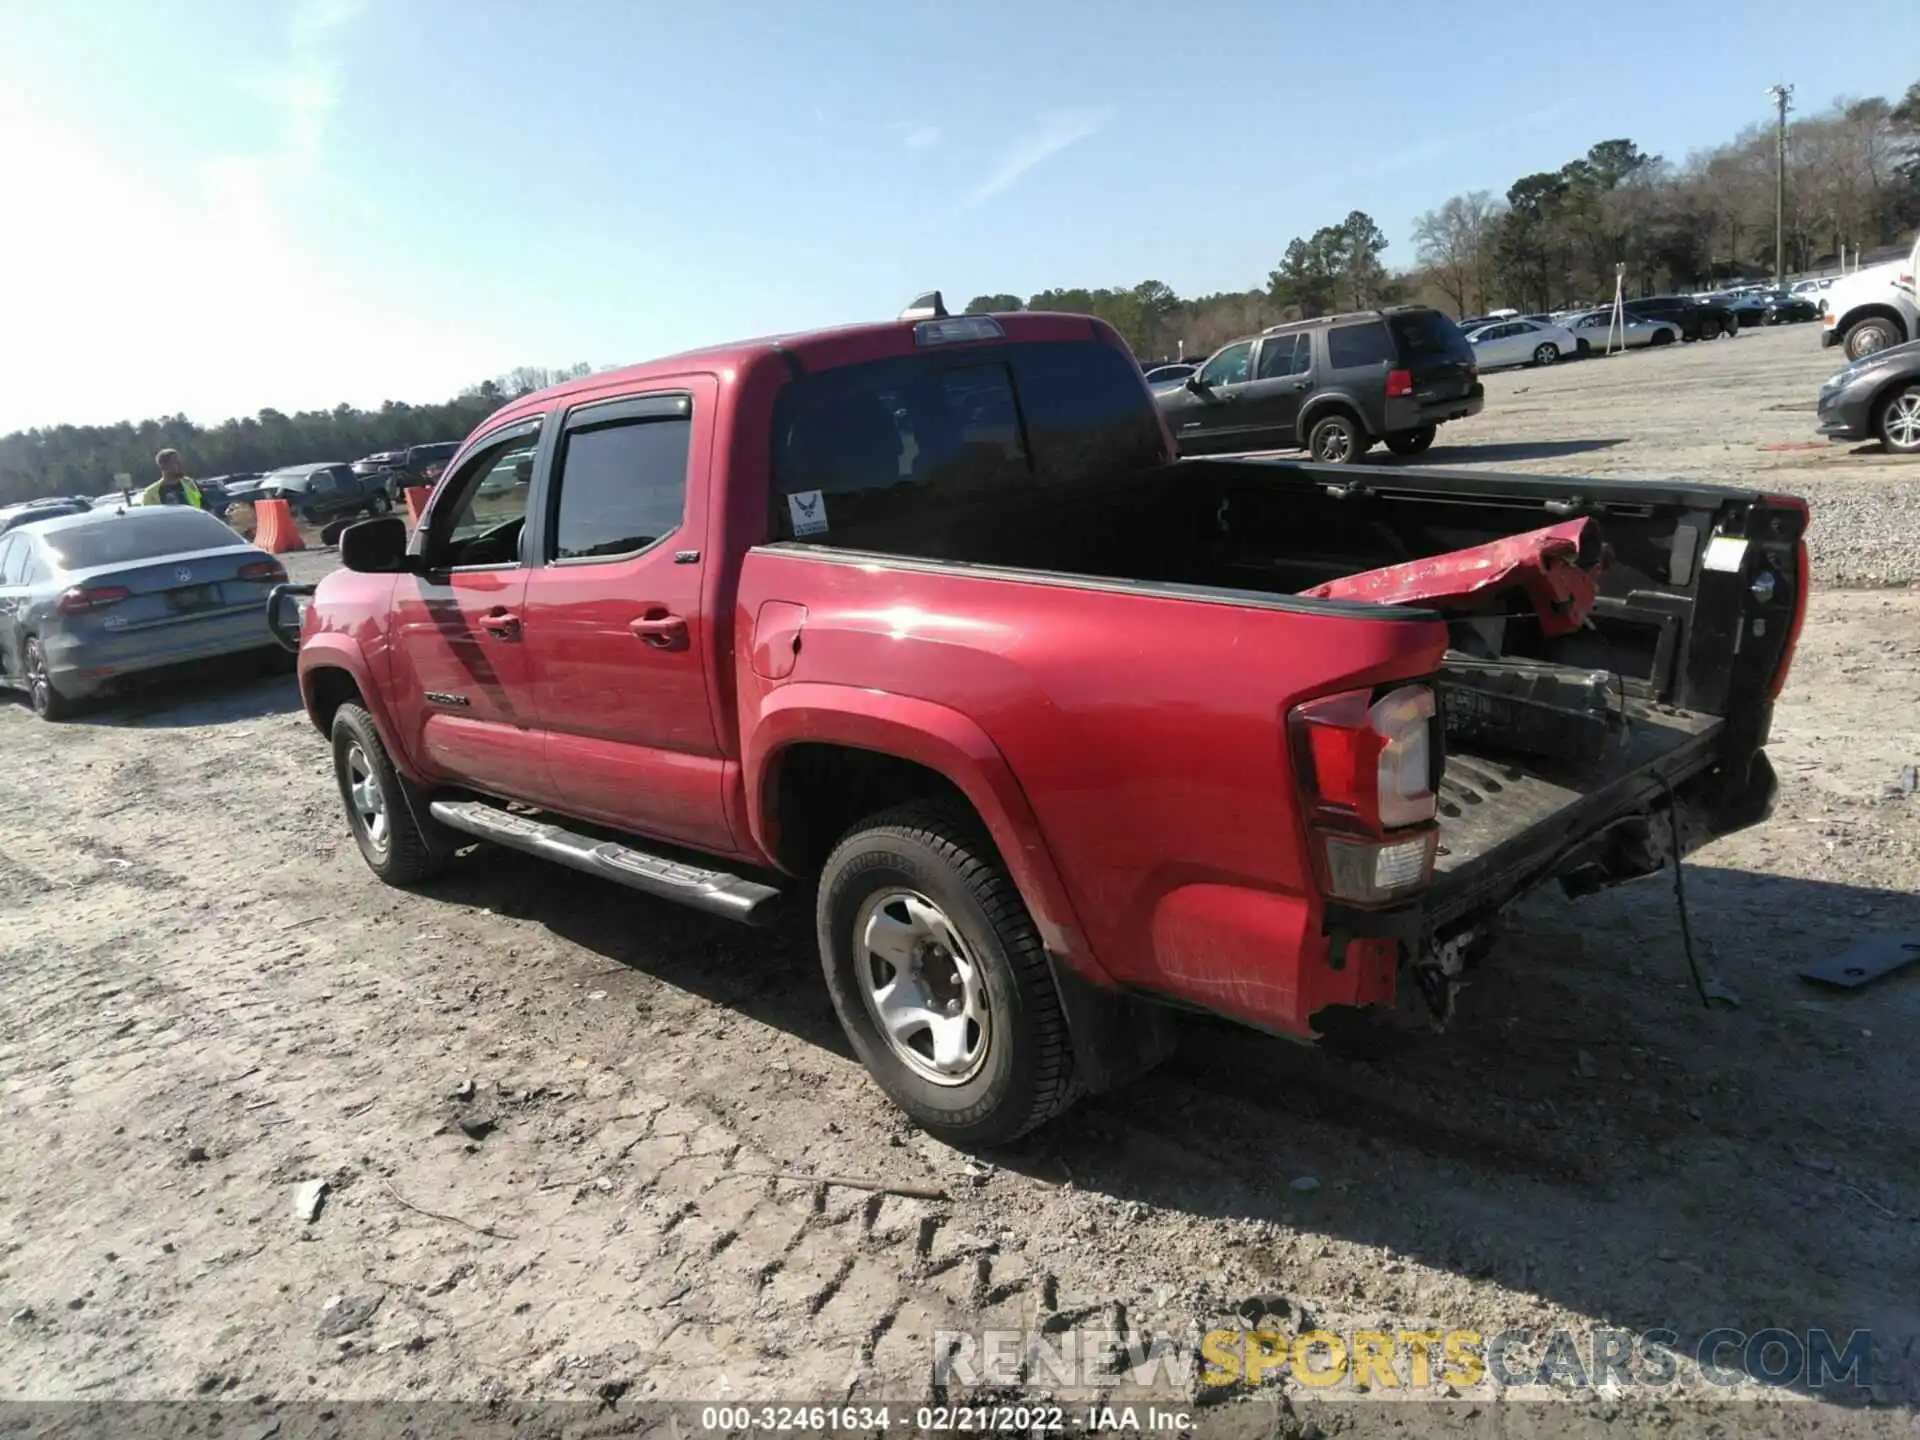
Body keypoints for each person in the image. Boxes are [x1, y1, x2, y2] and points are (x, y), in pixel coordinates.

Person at [140, 449, 204, 508]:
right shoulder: (150, 494)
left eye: (181, 462)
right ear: (164, 467)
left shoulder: (190, 483)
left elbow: (206, 507)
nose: (181, 465)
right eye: (176, 463)